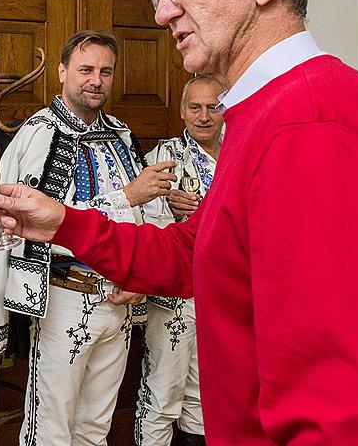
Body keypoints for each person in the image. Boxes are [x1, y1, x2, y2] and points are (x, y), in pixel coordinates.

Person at [0, 0, 358, 445]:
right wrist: (65, 224)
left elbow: (341, 393)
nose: (162, 11)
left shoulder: (310, 120)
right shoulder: (262, 112)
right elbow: (192, 254)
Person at [0, 30, 172, 446]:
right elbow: (39, 223)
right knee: (50, 429)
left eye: (106, 72)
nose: (96, 80)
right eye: (86, 70)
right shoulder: (39, 133)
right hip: (65, 297)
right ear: (62, 72)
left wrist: (139, 274)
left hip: (121, 297)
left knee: (95, 428)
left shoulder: (120, 134)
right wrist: (127, 196)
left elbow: (145, 216)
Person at [135, 76, 224, 446]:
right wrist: (166, 206)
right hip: (174, 296)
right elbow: (140, 220)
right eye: (195, 107)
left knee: (208, 396)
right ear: (182, 111)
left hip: (224, 292)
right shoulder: (162, 157)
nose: (204, 116)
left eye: (213, 108)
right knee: (163, 393)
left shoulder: (241, 150)